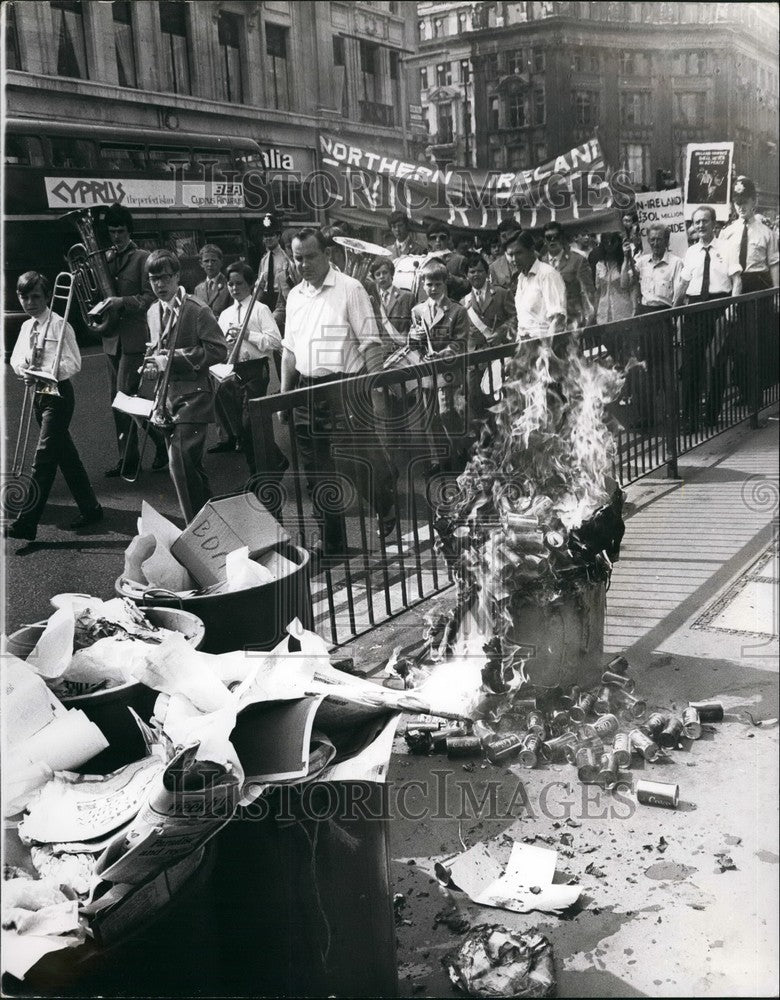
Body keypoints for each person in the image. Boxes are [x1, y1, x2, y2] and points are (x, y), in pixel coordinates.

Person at [280, 228, 396, 562]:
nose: (304, 264)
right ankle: (332, 543)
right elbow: (289, 351)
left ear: (327, 254)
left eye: (311, 256)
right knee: (317, 473)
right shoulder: (294, 296)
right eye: (298, 258)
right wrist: (285, 400)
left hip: (345, 388)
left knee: (357, 463)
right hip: (306, 391)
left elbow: (371, 342)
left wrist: (376, 396)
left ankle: (384, 503)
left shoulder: (350, 288)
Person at [5, 271, 102, 542]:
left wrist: (46, 371)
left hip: (58, 396)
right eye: (24, 296)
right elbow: (14, 359)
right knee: (66, 456)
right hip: (38, 396)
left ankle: (26, 522)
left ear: (48, 297)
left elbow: (74, 363)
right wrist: (25, 368)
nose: (30, 301)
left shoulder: (60, 325)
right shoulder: (27, 327)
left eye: (36, 296)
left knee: (44, 458)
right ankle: (91, 508)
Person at [144, 250, 228, 523]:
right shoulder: (152, 312)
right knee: (190, 468)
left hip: (194, 397)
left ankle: (195, 529)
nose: (159, 284)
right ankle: (213, 521)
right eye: (153, 278)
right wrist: (151, 363)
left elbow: (217, 351)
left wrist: (171, 359)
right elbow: (157, 349)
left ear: (177, 276)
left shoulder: (196, 309)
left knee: (178, 463)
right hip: (166, 398)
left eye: (164, 277)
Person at [100, 203, 167, 478]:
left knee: (127, 400)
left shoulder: (143, 258)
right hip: (111, 340)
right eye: (112, 231)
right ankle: (128, 458)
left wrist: (121, 302)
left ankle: (161, 443)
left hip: (134, 339)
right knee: (119, 404)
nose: (116, 236)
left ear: (130, 231)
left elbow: (150, 297)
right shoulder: (104, 257)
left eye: (121, 231)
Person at [214, 262, 287, 480]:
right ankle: (259, 470)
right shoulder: (225, 313)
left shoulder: (260, 309)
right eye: (230, 284)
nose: (235, 288)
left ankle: (268, 466)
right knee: (240, 428)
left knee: (250, 422)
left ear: (250, 284)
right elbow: (219, 345)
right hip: (232, 370)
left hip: (255, 370)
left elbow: (276, 341)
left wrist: (247, 335)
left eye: (239, 283)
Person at [673, 206, 740, 431]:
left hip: (719, 305)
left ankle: (712, 413)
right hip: (695, 308)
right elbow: (682, 284)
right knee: (692, 363)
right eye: (696, 222)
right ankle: (690, 418)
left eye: (704, 221)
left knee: (716, 362)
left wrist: (732, 307)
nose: (700, 226)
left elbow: (736, 280)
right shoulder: (691, 252)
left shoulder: (727, 247)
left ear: (714, 223)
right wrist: (673, 311)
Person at [720, 176, 780, 409]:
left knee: (759, 343)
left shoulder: (766, 232)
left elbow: (774, 263)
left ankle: (756, 396)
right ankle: (745, 391)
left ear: (754, 201)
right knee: (739, 345)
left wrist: (776, 294)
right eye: (737, 202)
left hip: (758, 286)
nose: (740, 207)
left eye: (744, 201)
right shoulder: (727, 232)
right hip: (735, 288)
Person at [410, 258, 472, 473]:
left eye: (438, 284)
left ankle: (459, 453)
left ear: (445, 283)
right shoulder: (418, 311)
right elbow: (413, 345)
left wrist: (443, 354)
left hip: (448, 373)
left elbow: (460, 342)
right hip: (427, 374)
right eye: (429, 284)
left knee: (449, 414)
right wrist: (414, 336)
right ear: (422, 285)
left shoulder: (457, 311)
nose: (433, 289)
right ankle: (438, 460)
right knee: (429, 418)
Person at [620, 224, 683, 428]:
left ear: (667, 241)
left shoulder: (675, 263)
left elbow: (678, 296)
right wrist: (626, 257)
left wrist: (673, 322)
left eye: (659, 239)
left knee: (664, 371)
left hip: (663, 317)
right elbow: (624, 283)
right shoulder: (641, 262)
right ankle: (645, 418)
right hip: (644, 317)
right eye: (652, 239)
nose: (655, 243)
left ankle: (671, 419)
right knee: (642, 370)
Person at [505, 230, 566, 341]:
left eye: (519, 253)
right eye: (510, 255)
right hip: (526, 348)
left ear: (531, 249)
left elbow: (558, 319)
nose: (514, 259)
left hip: (544, 348)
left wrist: (546, 350)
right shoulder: (521, 278)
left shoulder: (547, 275)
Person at [540, 221, 596, 328]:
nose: (552, 240)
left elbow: (589, 293)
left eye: (555, 236)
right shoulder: (540, 264)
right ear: (544, 240)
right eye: (548, 237)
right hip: (548, 325)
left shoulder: (577, 260)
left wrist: (587, 322)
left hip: (573, 323)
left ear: (561, 238)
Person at [370, 257, 414, 355]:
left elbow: (413, 326)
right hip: (380, 352)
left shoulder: (407, 296)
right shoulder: (372, 300)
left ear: (392, 274)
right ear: (374, 278)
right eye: (378, 274)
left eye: (385, 272)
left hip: (402, 351)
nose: (382, 276)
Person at [422, 221, 470, 302]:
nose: (438, 240)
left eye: (442, 237)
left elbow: (468, 286)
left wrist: (454, 280)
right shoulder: (424, 261)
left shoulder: (459, 260)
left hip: (452, 305)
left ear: (448, 239)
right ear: (428, 241)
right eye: (433, 238)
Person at [594, 234, 635, 325]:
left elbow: (624, 285)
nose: (609, 244)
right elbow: (598, 291)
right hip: (603, 314)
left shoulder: (626, 263)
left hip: (622, 312)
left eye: (612, 241)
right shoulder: (599, 265)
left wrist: (625, 259)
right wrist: (595, 313)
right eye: (606, 242)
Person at [193, 245, 231, 317]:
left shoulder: (229, 285)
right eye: (206, 261)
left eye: (213, 261)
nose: (210, 264)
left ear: (221, 262)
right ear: (201, 263)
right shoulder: (198, 289)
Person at [488, 218, 522, 291]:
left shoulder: (532, 257)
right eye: (503, 236)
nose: (507, 239)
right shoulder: (494, 267)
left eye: (511, 235)